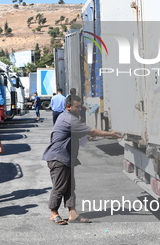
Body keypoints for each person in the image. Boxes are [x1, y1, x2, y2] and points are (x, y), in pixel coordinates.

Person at [42, 95, 121, 225]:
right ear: (68, 107)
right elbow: (92, 131)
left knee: (70, 187)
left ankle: (72, 213)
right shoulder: (68, 119)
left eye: (80, 106)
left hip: (67, 158)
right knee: (60, 187)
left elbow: (77, 134)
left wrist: (85, 137)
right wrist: (110, 134)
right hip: (59, 158)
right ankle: (53, 213)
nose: (79, 109)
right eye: (77, 107)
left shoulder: (69, 118)